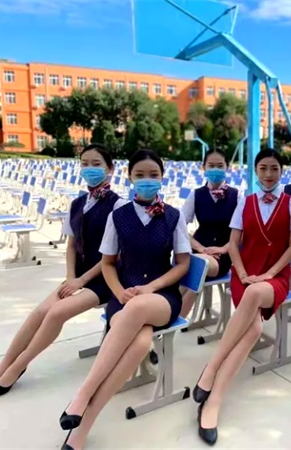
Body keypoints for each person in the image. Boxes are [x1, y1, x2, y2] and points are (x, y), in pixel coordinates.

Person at [58, 149, 192, 450]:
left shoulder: (173, 216)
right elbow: (107, 263)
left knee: (140, 306)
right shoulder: (118, 216)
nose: (147, 180)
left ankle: (83, 394)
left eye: (153, 175)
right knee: (141, 344)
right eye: (140, 175)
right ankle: (81, 430)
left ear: (162, 177)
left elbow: (183, 263)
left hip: (161, 297)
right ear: (130, 177)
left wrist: (151, 287)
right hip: (124, 294)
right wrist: (119, 292)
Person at [0, 144, 123, 397]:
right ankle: (2, 367)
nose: (89, 169)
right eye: (85, 164)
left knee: (55, 313)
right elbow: (71, 245)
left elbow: (114, 255)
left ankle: (17, 367)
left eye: (96, 164)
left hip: (104, 279)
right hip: (78, 277)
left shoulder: (119, 206)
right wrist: (71, 277)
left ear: (110, 169)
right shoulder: (77, 204)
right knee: (39, 312)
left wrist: (81, 280)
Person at [192, 149, 291, 445]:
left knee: (255, 293)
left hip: (275, 277)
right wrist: (241, 274)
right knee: (253, 330)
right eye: (263, 168)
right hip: (244, 274)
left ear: (282, 172)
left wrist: (268, 275)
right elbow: (233, 244)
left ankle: (211, 368)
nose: (268, 174)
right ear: (255, 171)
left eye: (274, 168)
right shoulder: (246, 202)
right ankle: (213, 402)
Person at [180, 149, 240, 318]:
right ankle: (172, 318)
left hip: (223, 255)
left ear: (227, 167)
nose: (215, 169)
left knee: (197, 267)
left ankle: (173, 320)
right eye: (211, 165)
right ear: (204, 168)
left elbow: (242, 231)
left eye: (220, 166)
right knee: (193, 272)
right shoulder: (196, 194)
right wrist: (200, 248)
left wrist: (223, 249)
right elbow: (180, 228)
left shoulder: (237, 196)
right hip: (197, 250)